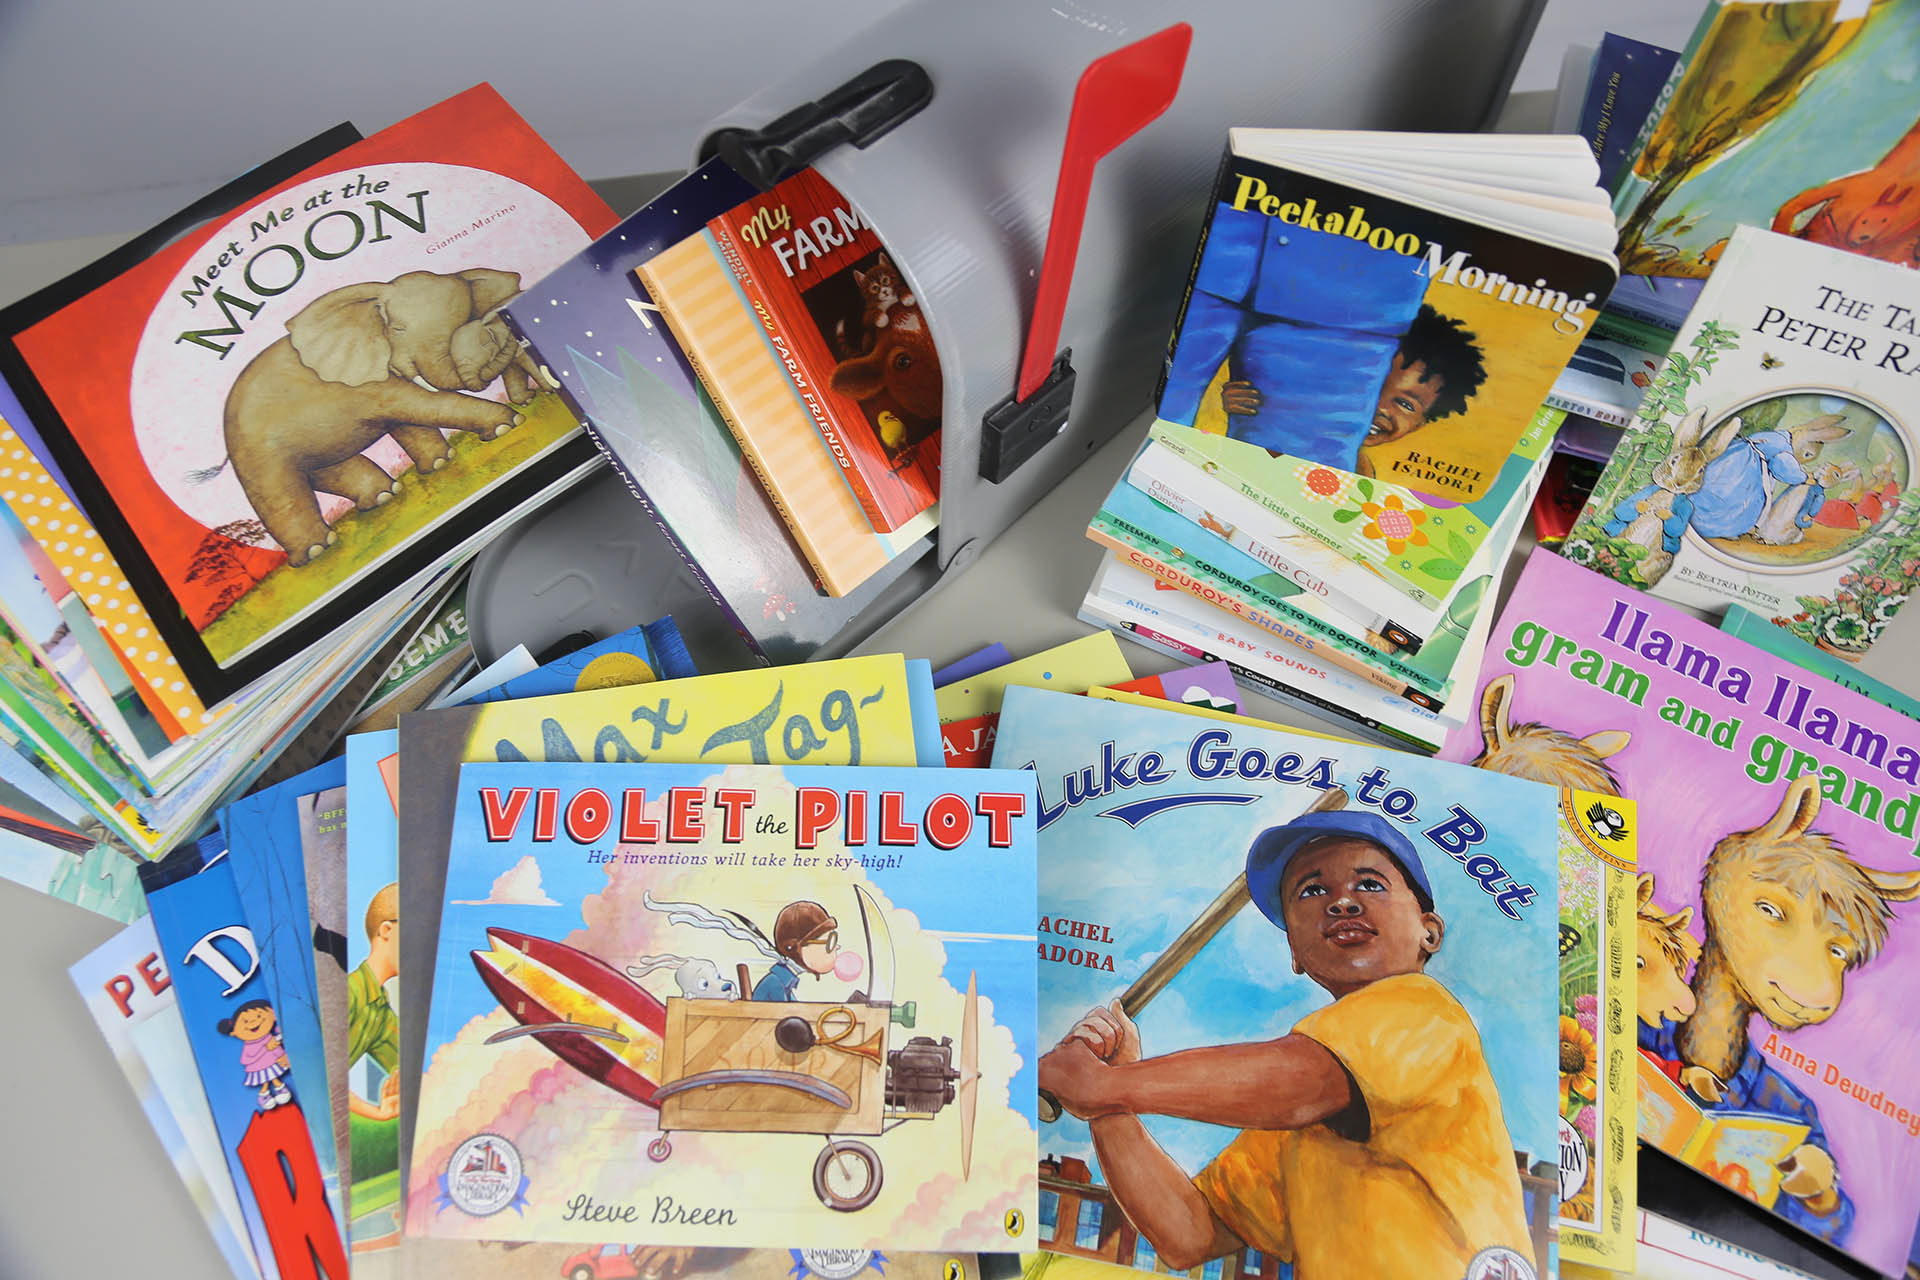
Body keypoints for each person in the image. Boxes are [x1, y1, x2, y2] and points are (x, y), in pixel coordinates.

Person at [1038, 810, 1533, 1280]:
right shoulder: (1304, 1113)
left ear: (1430, 931)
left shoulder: (1424, 1011)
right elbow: (1189, 1234)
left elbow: (1304, 1081)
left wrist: (1104, 1085)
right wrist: (1109, 1107)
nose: (1342, 903)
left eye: (1369, 884)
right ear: (1294, 951)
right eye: (1312, 891)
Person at [1218, 305, 1487, 476]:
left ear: (1418, 425)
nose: (1377, 406)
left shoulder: (1361, 473)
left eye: (1406, 404)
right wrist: (1240, 405)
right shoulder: (1287, 424)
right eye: (1371, 384)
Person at [347, 881, 400, 1123]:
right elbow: (321, 1074)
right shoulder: (349, 994)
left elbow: (407, 1064)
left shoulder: (379, 1007)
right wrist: (373, 1112)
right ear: (386, 930)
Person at [749, 901, 841, 1002]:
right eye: (829, 942)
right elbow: (789, 1011)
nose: (836, 947)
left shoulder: (783, 983)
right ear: (794, 947)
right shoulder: (775, 984)